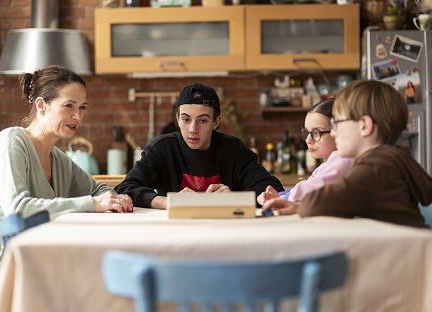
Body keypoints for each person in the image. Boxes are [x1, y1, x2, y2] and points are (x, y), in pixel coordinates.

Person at [0, 65, 133, 311]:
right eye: (69, 106)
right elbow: (18, 209)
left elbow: (98, 190)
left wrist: (115, 198)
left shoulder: (59, 159)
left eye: (82, 107)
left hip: (27, 259)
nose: (78, 116)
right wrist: (92, 204)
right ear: (42, 105)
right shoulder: (11, 142)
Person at [262, 79, 431, 228]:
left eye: (337, 124)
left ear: (364, 126)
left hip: (401, 255)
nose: (334, 133)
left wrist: (302, 207)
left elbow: (329, 198)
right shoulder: (398, 158)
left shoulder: (374, 166)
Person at [115, 83, 284, 209]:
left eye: (202, 120)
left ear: (216, 122)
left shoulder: (233, 150)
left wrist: (235, 198)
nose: (193, 130)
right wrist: (168, 201)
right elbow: (125, 189)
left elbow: (274, 190)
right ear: (177, 119)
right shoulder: (162, 148)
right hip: (175, 231)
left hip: (225, 232)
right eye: (186, 119)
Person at [257, 99, 354, 204]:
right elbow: (308, 185)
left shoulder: (342, 159)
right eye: (306, 132)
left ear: (338, 132)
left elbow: (311, 189)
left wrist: (280, 199)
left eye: (316, 133)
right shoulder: (326, 165)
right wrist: (280, 195)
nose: (308, 140)